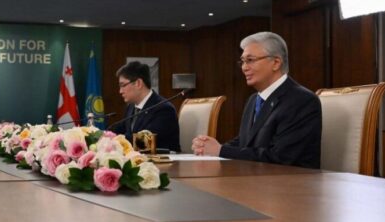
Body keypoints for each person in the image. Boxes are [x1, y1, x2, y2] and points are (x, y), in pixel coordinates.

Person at [192, 31, 322, 168]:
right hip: (254, 177)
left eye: (250, 60)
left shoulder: (301, 100)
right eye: (243, 61)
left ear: (276, 63)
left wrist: (221, 150)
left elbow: (281, 157)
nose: (244, 68)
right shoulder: (254, 99)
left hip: (291, 179)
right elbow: (245, 141)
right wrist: (209, 147)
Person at [110, 61, 180, 152]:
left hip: (163, 160)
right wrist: (102, 136)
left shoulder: (164, 109)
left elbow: (144, 142)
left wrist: (115, 140)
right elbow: (118, 131)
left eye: (123, 85)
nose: (120, 91)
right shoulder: (131, 107)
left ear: (138, 83)